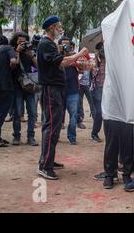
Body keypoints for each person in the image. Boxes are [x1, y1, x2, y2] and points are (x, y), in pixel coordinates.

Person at [36, 15, 89, 180]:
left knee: (56, 127)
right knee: (51, 127)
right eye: (58, 26)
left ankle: (49, 160)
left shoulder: (51, 45)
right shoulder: (45, 44)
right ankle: (45, 166)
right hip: (51, 90)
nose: (61, 29)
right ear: (51, 28)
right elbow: (61, 63)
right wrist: (79, 53)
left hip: (57, 90)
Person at [10, 32, 38, 146]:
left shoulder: (29, 52)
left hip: (29, 87)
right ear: (15, 41)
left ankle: (31, 137)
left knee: (32, 112)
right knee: (17, 113)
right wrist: (17, 51)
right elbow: (12, 66)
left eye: (24, 41)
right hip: (17, 87)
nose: (22, 43)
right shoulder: (12, 51)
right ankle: (16, 136)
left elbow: (38, 67)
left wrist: (32, 55)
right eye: (19, 41)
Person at [60, 38, 80, 145]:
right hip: (58, 90)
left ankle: (72, 137)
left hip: (73, 90)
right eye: (63, 45)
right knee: (57, 115)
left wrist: (75, 60)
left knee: (73, 115)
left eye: (67, 45)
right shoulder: (56, 57)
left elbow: (82, 68)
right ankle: (55, 135)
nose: (66, 47)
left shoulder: (75, 57)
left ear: (71, 47)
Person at [90, 47, 105, 142]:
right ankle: (94, 134)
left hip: (107, 90)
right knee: (99, 113)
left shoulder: (111, 63)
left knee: (106, 114)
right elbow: (93, 74)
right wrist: (96, 62)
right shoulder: (96, 63)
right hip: (97, 90)